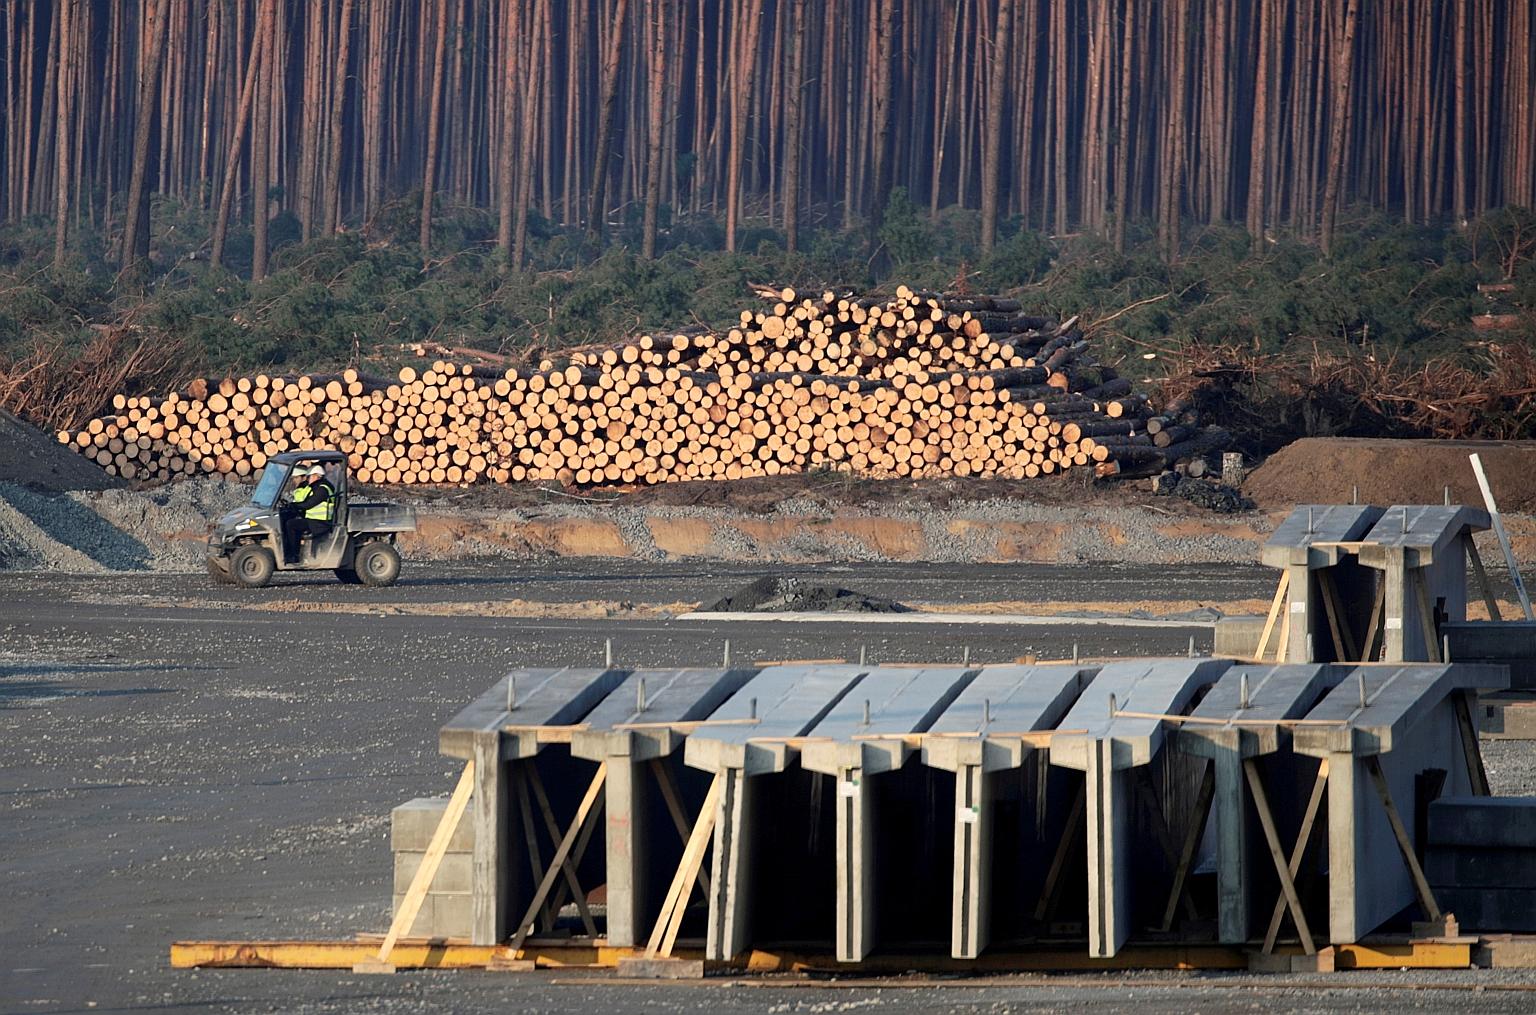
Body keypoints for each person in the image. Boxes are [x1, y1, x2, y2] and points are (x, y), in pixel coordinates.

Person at [282, 464, 336, 564]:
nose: (307, 479)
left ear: (316, 476)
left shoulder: (322, 489)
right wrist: (293, 505)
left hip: (321, 523)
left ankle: (294, 556)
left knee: (291, 524)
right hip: (314, 520)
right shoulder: (317, 487)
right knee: (290, 521)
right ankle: (289, 553)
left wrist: (295, 506)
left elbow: (309, 504)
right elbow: (305, 501)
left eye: (309, 476)